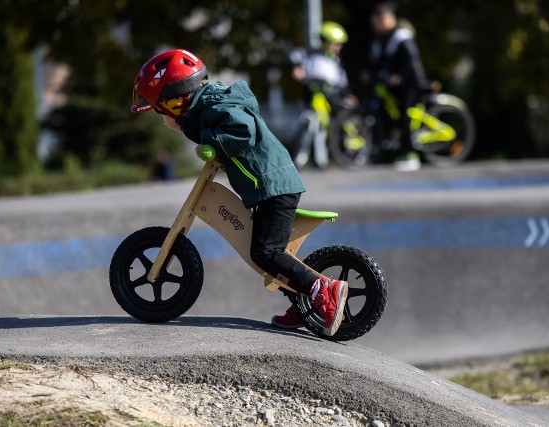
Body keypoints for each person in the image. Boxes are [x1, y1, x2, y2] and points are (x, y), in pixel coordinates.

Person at [131, 49, 348, 335]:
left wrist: (212, 142)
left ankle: (325, 290)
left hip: (272, 185)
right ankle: (304, 301)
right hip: (269, 184)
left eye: (162, 110)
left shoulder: (214, 109)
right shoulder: (211, 106)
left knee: (265, 252)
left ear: (177, 101)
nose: (163, 119)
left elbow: (244, 131)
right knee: (267, 248)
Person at [364, 1, 428, 171]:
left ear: (387, 18)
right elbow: (376, 62)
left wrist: (399, 76)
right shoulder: (380, 40)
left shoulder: (401, 36)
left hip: (410, 83)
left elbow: (411, 63)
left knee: (404, 114)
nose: (376, 25)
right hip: (391, 85)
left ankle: (411, 155)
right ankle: (390, 149)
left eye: (378, 21)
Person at [289, 22, 356, 169]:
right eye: (336, 44)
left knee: (328, 127)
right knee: (311, 124)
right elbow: (294, 54)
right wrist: (297, 67)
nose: (339, 47)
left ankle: (323, 160)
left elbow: (341, 80)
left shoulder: (336, 60)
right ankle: (299, 159)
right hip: (313, 97)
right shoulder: (312, 52)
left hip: (331, 98)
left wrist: (348, 94)